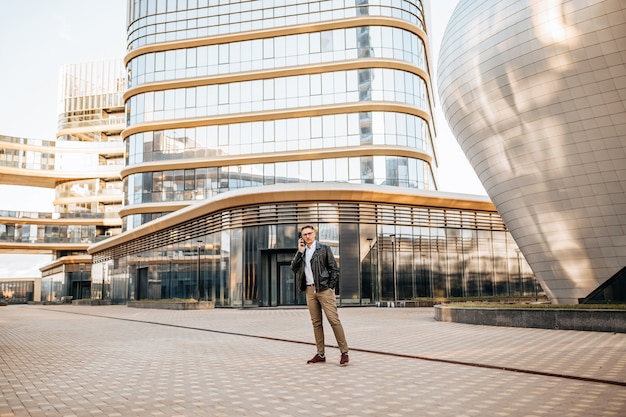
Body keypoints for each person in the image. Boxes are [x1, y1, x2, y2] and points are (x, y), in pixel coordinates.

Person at [291, 224, 349, 365]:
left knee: (333, 320)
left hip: (324, 290)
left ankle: (344, 352)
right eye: (304, 234)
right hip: (309, 290)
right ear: (301, 237)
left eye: (309, 233)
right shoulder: (302, 251)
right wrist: (299, 252)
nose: (307, 236)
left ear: (315, 233)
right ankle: (320, 354)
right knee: (316, 323)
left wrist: (330, 287)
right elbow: (293, 267)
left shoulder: (324, 249)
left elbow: (334, 269)